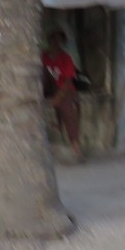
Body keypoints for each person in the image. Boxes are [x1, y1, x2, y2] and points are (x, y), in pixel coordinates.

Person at [42, 29, 83, 161]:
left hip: (64, 89)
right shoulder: (43, 56)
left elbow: (67, 82)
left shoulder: (66, 58)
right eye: (53, 39)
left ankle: (76, 147)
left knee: (68, 110)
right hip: (49, 87)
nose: (55, 42)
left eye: (59, 40)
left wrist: (57, 98)